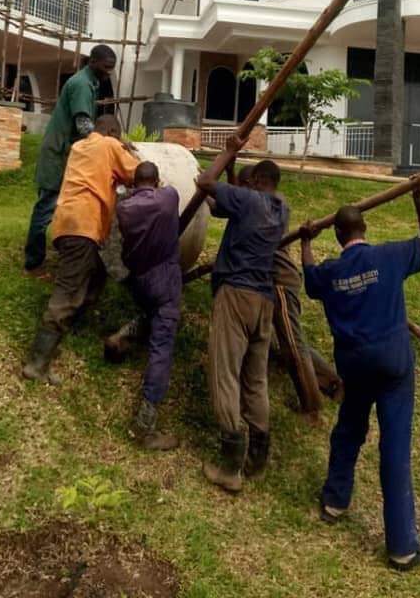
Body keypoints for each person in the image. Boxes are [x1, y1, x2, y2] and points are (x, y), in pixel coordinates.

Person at [299, 181, 420, 572]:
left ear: (339, 235)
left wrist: (307, 240)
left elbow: (308, 277)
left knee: (348, 429)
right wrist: (418, 199)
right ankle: (402, 550)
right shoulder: (391, 256)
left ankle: (334, 501)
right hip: (393, 364)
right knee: (394, 449)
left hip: (354, 365)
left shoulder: (330, 272)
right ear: (364, 231)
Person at [22, 115, 138, 385]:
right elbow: (139, 172)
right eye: (116, 135)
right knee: (67, 294)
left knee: (98, 273)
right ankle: (36, 364)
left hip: (66, 223)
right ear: (110, 132)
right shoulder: (110, 145)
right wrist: (127, 149)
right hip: (84, 225)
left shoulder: (79, 147)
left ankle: (76, 322)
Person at [196, 155, 287, 494]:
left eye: (250, 182)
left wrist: (228, 152)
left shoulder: (249, 200)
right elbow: (226, 205)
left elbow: (205, 182)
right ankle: (258, 459)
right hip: (264, 300)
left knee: (225, 373)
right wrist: (236, 175)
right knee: (255, 379)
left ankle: (231, 465)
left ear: (259, 181)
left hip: (236, 294)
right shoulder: (281, 207)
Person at [223, 164, 342, 416]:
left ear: (254, 183)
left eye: (247, 185)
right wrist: (232, 170)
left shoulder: (267, 205)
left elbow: (233, 201)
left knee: (292, 343)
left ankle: (312, 404)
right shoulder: (268, 203)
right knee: (286, 340)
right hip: (272, 282)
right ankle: (331, 382)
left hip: (279, 281)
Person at [24, 44, 117, 277]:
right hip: (57, 154)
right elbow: (83, 125)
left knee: (61, 206)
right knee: (46, 207)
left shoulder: (91, 82)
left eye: (112, 69)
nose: (109, 73)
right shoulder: (82, 85)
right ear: (93, 62)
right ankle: (33, 263)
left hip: (66, 153)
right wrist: (109, 144)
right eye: (106, 68)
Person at [116, 161, 182, 452]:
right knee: (161, 347)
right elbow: (171, 187)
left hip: (139, 280)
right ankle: (145, 425)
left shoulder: (124, 207)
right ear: (155, 181)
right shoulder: (168, 198)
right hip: (164, 280)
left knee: (149, 314)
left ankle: (121, 337)